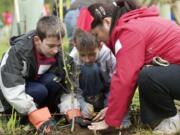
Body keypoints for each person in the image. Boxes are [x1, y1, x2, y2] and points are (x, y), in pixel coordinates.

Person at [85, 1, 180, 135]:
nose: (98, 40)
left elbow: (125, 79)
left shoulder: (128, 32)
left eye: (96, 34)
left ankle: (171, 120)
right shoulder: (135, 24)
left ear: (107, 22)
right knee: (146, 74)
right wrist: (113, 110)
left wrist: (111, 121)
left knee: (148, 76)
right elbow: (131, 76)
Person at [0, 16, 67, 134]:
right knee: (39, 90)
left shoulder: (57, 51)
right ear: (37, 40)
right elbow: (12, 88)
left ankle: (49, 117)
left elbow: (68, 84)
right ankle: (26, 119)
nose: (56, 50)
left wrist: (71, 109)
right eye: (51, 46)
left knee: (54, 80)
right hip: (11, 97)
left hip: (32, 87)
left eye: (59, 45)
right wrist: (34, 113)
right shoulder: (18, 51)